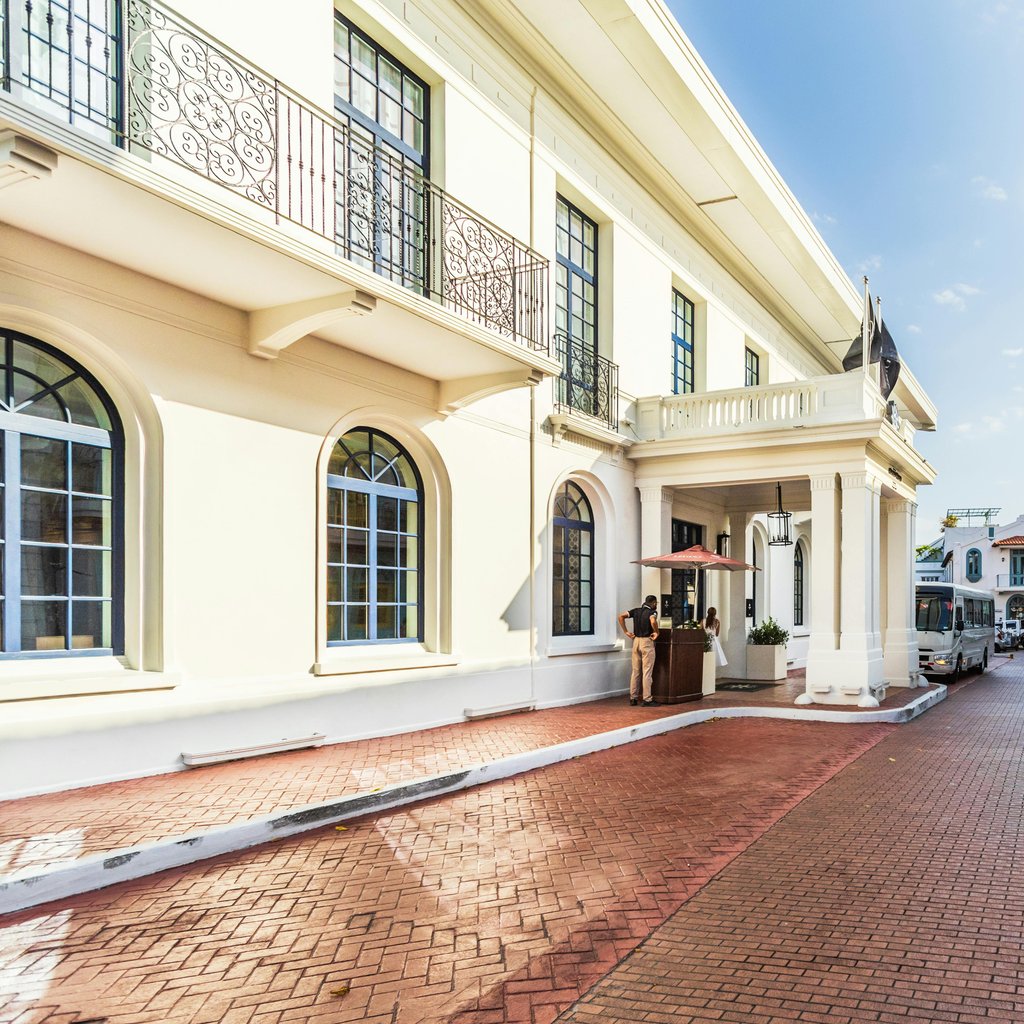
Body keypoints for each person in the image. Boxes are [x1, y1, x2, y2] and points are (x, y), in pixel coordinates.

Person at [617, 595, 661, 707]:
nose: (656, 605)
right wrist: (657, 632)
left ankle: (633, 698)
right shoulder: (652, 612)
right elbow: (653, 621)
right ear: (654, 603)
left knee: (635, 671)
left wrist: (626, 632)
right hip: (647, 641)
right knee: (647, 672)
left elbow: (621, 616)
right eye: (656, 603)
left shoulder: (635, 611)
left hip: (636, 641)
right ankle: (647, 699)